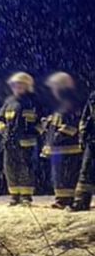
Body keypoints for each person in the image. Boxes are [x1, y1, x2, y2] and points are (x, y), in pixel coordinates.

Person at [0, 72, 41, 206]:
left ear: (27, 85)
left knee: (25, 168)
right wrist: (3, 130)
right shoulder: (9, 101)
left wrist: (34, 133)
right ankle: (14, 196)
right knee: (10, 168)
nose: (17, 87)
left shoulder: (33, 101)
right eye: (15, 84)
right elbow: (0, 119)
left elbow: (42, 120)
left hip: (27, 142)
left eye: (20, 84)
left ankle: (26, 196)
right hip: (9, 141)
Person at [40, 72, 84, 209]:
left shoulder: (71, 103)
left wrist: (56, 137)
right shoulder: (61, 104)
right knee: (59, 175)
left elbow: (72, 125)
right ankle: (62, 198)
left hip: (68, 148)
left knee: (66, 174)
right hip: (58, 148)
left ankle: (67, 200)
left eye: (54, 87)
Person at [70, 85, 95, 211]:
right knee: (86, 172)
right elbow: (86, 118)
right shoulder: (93, 96)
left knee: (87, 172)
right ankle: (81, 202)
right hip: (93, 140)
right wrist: (83, 136)